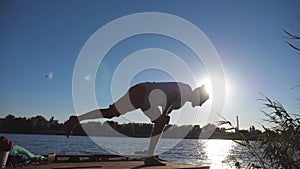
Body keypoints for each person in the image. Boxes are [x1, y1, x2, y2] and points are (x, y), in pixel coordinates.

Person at [64, 82, 209, 166]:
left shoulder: (182, 101)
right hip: (143, 93)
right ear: (198, 95)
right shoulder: (186, 90)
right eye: (201, 102)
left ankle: (76, 119)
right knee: (160, 121)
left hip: (140, 91)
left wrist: (163, 116)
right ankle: (149, 157)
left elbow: (165, 102)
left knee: (110, 112)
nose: (199, 106)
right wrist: (163, 115)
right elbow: (172, 96)